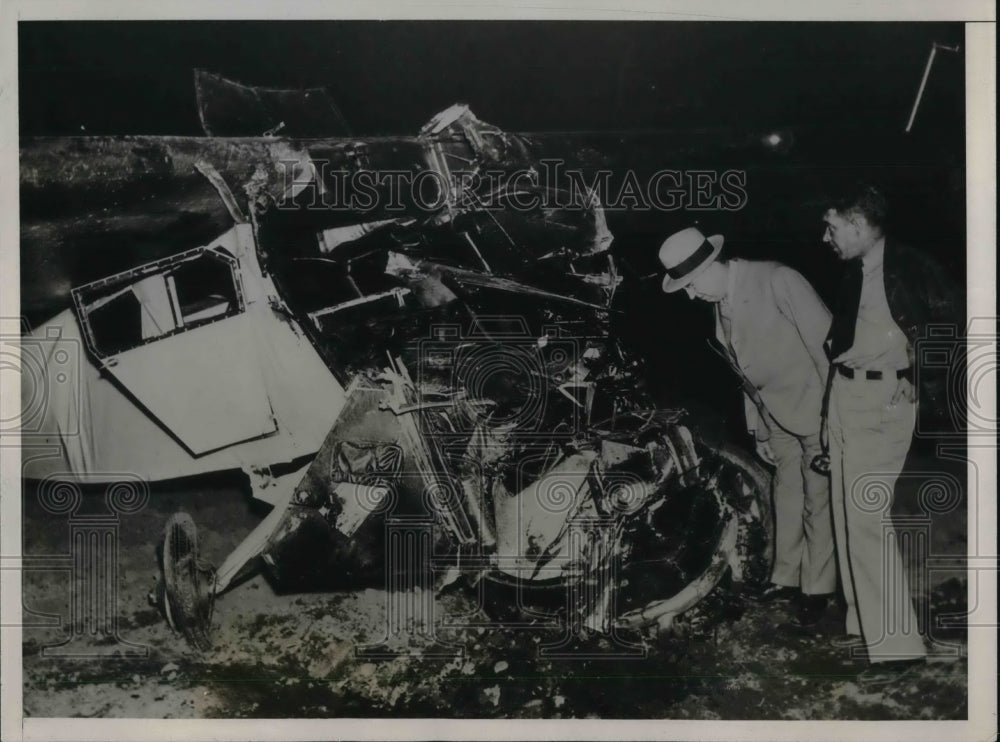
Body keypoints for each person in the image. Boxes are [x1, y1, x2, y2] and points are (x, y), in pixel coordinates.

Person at [658, 226, 836, 626]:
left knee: (817, 498)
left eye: (690, 284)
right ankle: (787, 577)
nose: (690, 294)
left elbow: (828, 349)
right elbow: (745, 372)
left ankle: (818, 588)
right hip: (775, 415)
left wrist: (831, 418)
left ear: (711, 266)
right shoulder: (720, 301)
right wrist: (760, 428)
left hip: (814, 407)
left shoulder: (778, 278)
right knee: (786, 494)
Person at [820, 182, 960, 684]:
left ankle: (897, 648)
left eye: (832, 226)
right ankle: (865, 623)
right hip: (844, 397)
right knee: (844, 511)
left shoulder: (914, 267)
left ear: (857, 225)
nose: (825, 237)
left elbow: (952, 326)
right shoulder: (856, 271)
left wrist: (919, 382)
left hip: (880, 401)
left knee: (866, 518)